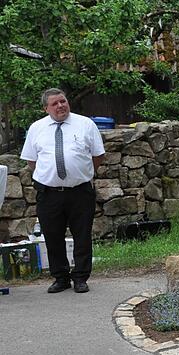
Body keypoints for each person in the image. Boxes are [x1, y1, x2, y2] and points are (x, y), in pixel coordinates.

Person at [21, 88, 105, 294]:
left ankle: (81, 278)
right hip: (49, 193)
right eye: (55, 103)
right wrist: (51, 177)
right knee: (52, 236)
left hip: (80, 191)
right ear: (46, 108)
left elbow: (98, 156)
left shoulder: (86, 124)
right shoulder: (36, 128)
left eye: (63, 101)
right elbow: (32, 161)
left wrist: (81, 173)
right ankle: (60, 278)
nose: (60, 106)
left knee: (82, 235)